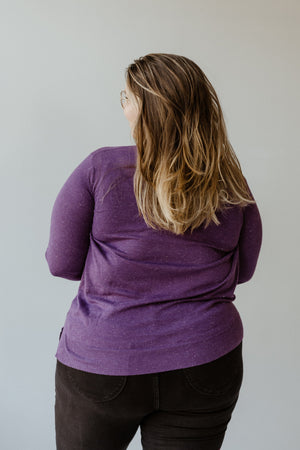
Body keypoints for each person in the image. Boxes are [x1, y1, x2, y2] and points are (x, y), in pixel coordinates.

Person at [45, 53, 263, 450]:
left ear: (143, 108)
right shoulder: (230, 183)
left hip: (104, 359)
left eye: (125, 98)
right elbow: (243, 270)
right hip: (205, 359)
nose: (123, 107)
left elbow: (61, 263)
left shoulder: (101, 169)